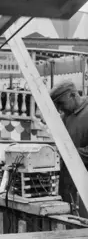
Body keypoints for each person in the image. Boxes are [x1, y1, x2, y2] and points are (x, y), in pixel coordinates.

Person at [50, 80, 88, 218]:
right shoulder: (65, 117)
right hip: (68, 184)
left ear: (73, 95)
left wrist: (69, 154)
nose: (60, 109)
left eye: (61, 103)